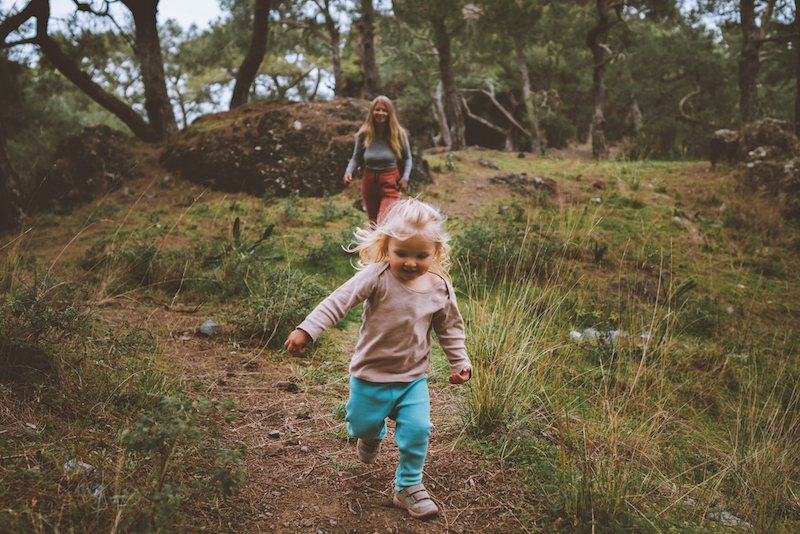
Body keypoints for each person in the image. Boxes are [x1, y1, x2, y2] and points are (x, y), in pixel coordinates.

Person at [284, 198, 472, 519]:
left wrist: (460, 362)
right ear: (387, 247)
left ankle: (408, 486)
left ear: (436, 252)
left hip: (412, 379)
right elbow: (338, 302)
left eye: (421, 255)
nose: (411, 262)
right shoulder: (377, 276)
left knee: (418, 429)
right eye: (402, 253)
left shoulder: (439, 288)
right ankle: (371, 434)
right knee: (360, 423)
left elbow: (450, 329)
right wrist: (307, 329)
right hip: (369, 377)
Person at [344, 96, 413, 226]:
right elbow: (356, 157)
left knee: (383, 223)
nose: (380, 113)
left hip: (390, 182)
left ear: (389, 113)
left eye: (384, 110)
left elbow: (408, 158)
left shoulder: (398, 133)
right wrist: (348, 171)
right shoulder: (364, 133)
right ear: (372, 112)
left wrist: (405, 178)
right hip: (369, 183)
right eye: (377, 110)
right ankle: (382, 247)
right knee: (374, 225)